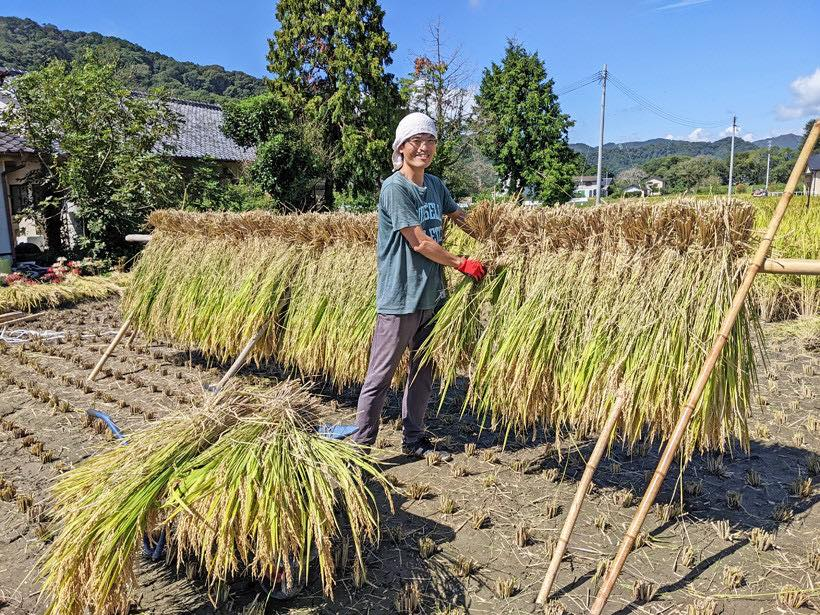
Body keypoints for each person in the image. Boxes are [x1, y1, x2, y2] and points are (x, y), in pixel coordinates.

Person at [352, 112, 486, 459]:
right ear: (402, 147)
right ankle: (361, 448)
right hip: (400, 297)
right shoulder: (395, 188)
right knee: (380, 376)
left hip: (433, 296)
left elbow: (461, 218)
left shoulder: (436, 185)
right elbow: (420, 242)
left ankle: (414, 439)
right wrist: (461, 263)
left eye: (430, 141)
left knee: (423, 372)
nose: (424, 148)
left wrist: (492, 238)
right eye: (417, 141)